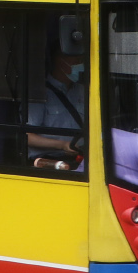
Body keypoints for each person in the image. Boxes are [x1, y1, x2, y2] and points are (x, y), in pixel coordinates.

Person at [28, 21, 88, 171]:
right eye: (76, 61)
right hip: (49, 162)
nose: (80, 64)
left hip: (81, 161)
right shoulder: (39, 92)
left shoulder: (82, 90)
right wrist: (62, 145)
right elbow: (27, 136)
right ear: (59, 60)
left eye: (82, 60)